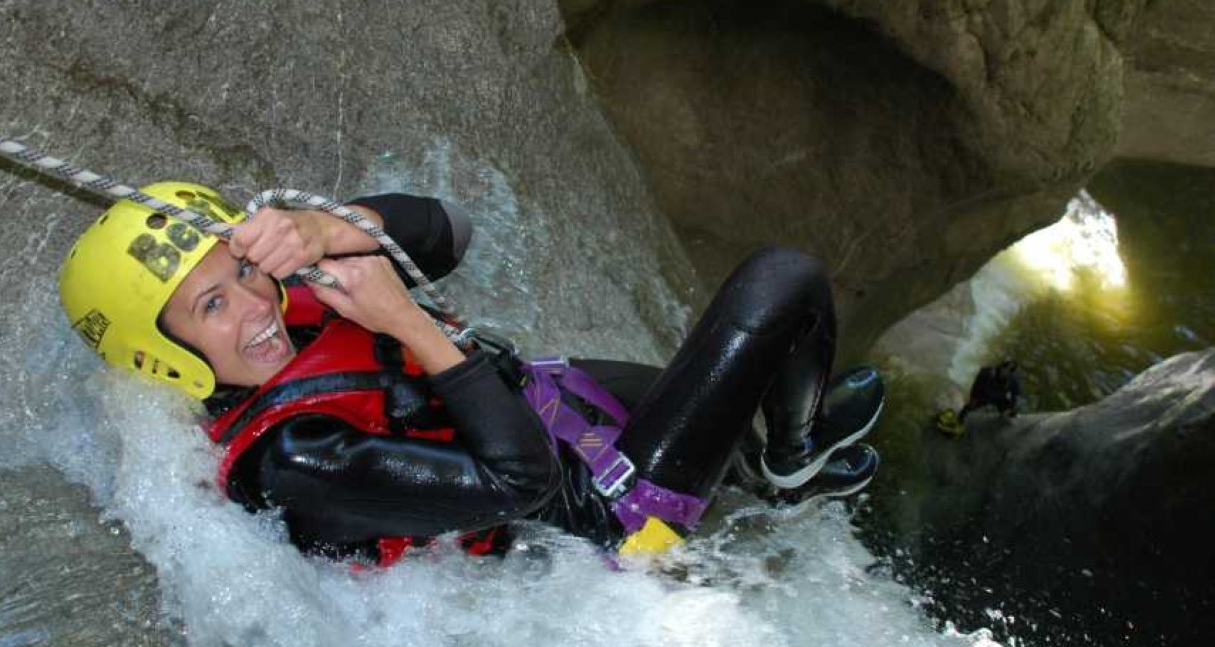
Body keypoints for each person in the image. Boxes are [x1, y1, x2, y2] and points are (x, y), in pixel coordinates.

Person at [59, 182, 882, 564]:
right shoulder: (292, 459)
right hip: (606, 522)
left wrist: (322, 229)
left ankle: (772, 465)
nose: (254, 303)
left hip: (548, 406)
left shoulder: (272, 317)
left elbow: (449, 230)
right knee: (785, 284)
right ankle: (791, 461)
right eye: (212, 305)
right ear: (158, 355)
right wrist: (406, 323)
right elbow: (517, 482)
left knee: (727, 409)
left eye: (240, 270)